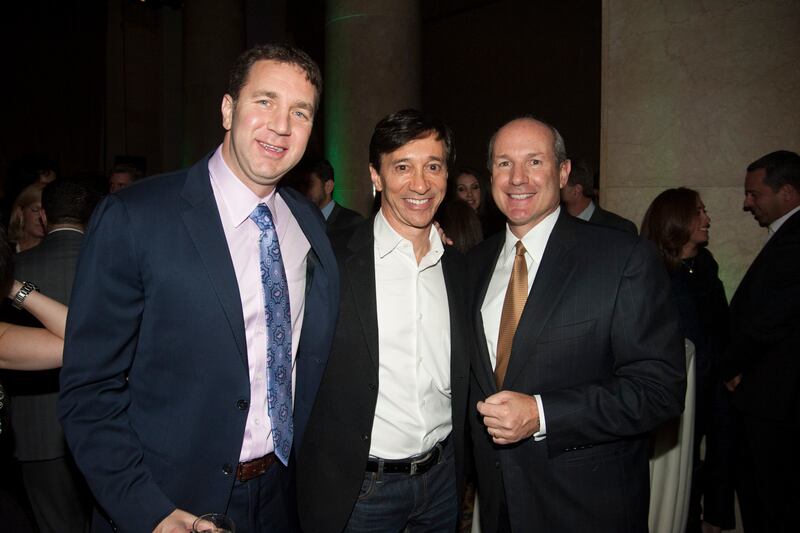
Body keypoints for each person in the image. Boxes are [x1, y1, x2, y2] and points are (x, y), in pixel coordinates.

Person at [58, 43, 339, 533]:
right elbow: (89, 392)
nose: (281, 125)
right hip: (170, 500)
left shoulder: (305, 221)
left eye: (301, 111)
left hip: (282, 496)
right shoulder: (136, 216)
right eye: (265, 101)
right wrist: (149, 512)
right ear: (228, 109)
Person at [468, 116, 685, 532]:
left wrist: (542, 413)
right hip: (499, 504)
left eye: (534, 162)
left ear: (563, 172)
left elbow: (660, 389)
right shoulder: (472, 266)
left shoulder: (622, 257)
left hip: (587, 506)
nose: (517, 179)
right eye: (503, 164)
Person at [297, 109, 470, 532]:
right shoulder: (331, 262)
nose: (420, 184)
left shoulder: (462, 269)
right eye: (402, 167)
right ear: (376, 176)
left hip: (443, 482)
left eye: (433, 166)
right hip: (362, 491)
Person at [5, 178, 98, 533]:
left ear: (44, 216)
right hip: (105, 422)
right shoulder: (111, 260)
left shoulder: (17, 268)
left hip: (35, 433)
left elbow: (77, 341)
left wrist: (12, 283)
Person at [641, 187, 735, 532]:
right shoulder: (652, 273)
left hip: (713, 385)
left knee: (717, 457)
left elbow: (721, 325)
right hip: (676, 396)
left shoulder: (705, 266)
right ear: (677, 220)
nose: (707, 219)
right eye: (699, 212)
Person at [721, 150, 800, 532]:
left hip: (778, 400)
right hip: (770, 396)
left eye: (755, 194)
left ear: (786, 192)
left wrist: (731, 366)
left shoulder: (795, 239)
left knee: (773, 502)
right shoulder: (786, 235)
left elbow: (770, 320)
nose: (747, 202)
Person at [560, 159, 637, 234]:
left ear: (576, 190)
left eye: (562, 181)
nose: (557, 186)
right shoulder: (555, 223)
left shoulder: (620, 229)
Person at [301, 158, 364, 233]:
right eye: (303, 185)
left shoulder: (352, 223)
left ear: (328, 187)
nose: (304, 190)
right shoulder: (302, 220)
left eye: (310, 184)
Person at [7, 182, 46, 252]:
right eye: (36, 209)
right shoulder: (5, 250)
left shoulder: (54, 251)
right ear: (20, 212)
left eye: (47, 211)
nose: (42, 217)